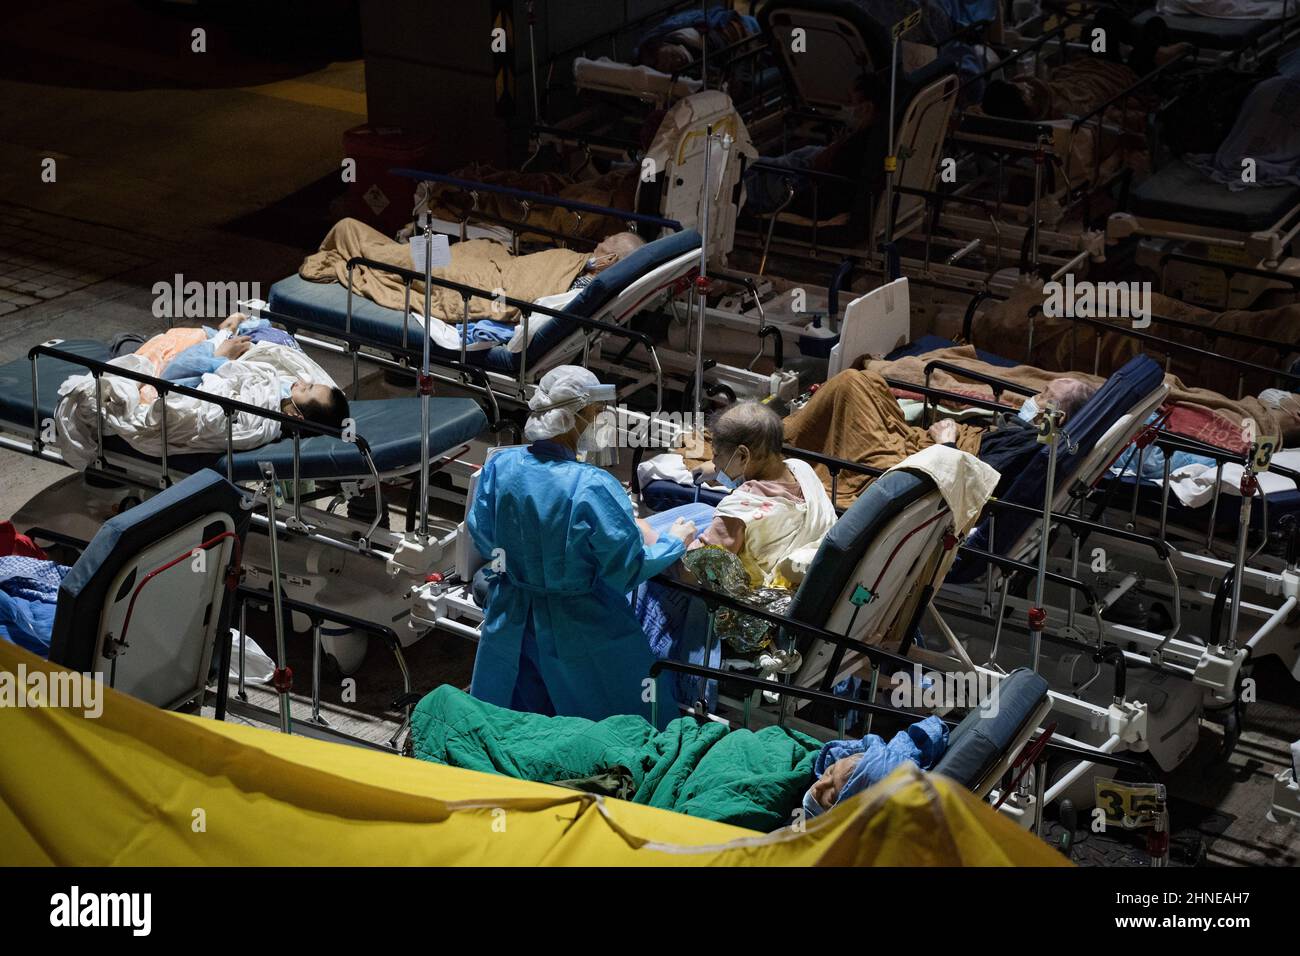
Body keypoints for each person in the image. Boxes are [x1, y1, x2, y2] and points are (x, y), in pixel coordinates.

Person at [467, 365, 698, 722]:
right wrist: (674, 542)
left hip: (511, 613)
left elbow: (482, 532)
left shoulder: (502, 465)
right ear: (579, 416)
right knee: (619, 719)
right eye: (598, 411)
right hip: (579, 626)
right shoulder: (592, 485)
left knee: (510, 719)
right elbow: (626, 567)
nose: (602, 418)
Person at [784, 369, 1098, 506]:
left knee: (852, 385)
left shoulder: (1033, 447)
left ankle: (772, 442)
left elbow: (974, 486)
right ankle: (779, 436)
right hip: (924, 447)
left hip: (920, 468)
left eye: (1045, 394)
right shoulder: (1037, 434)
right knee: (871, 383)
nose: (1034, 395)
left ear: (1055, 417)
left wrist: (946, 443)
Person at [690, 402, 836, 588]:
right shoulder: (802, 469)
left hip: (753, 605)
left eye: (717, 455)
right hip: (810, 583)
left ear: (743, 455)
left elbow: (701, 572)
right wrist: (719, 471)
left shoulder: (737, 510)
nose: (714, 462)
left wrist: (678, 542)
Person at [152, 314, 350, 429]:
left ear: (297, 416)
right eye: (311, 384)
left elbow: (172, 379)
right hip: (254, 347)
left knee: (167, 341)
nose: (303, 381)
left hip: (219, 353)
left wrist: (221, 356)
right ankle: (233, 330)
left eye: (306, 390)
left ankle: (227, 331)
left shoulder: (261, 404)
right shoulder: (297, 393)